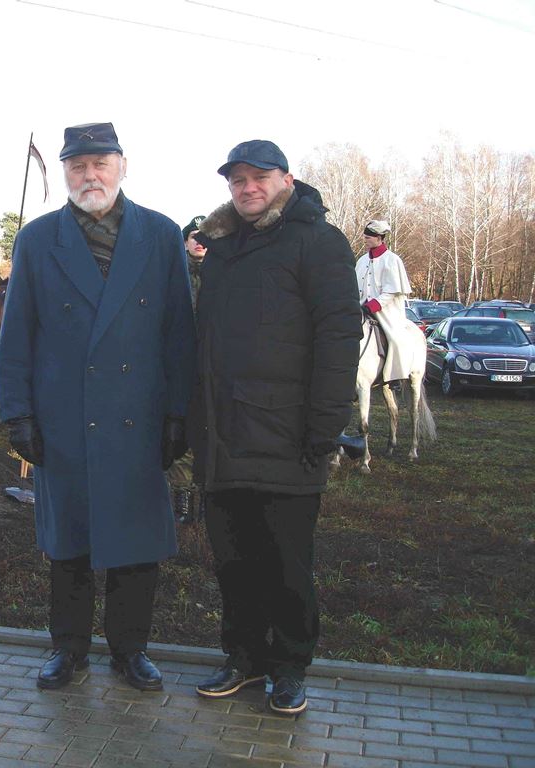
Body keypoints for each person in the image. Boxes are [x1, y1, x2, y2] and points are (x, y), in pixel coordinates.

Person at [0, 122, 195, 692]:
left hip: (139, 417)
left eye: (100, 164)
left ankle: (131, 650)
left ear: (123, 166)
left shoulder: (159, 235)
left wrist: (178, 413)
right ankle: (69, 649)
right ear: (64, 173)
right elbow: (18, 337)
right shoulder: (37, 240)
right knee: (70, 542)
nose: (90, 175)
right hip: (65, 418)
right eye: (78, 166)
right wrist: (18, 414)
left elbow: (179, 332)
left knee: (135, 544)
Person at [189, 140, 360, 715]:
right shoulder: (224, 247)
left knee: (287, 563)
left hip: (289, 438)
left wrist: (324, 426)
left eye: (259, 177)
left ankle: (289, 666)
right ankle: (243, 658)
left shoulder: (318, 242)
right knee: (233, 561)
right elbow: (205, 341)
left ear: (287, 179)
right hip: (224, 435)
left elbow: (339, 339)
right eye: (237, 180)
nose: (247, 188)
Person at [169, 216, 208, 524]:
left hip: (213, 365)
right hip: (179, 363)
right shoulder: (171, 272)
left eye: (205, 236)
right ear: (184, 241)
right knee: (179, 428)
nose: (199, 241)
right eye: (194, 235)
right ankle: (182, 500)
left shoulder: (223, 273)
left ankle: (207, 499)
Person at [356, 219, 414, 383]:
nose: (365, 240)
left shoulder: (392, 260)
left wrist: (373, 305)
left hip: (386, 311)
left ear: (379, 238)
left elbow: (391, 291)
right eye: (365, 237)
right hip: (362, 309)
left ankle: (395, 377)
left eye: (368, 237)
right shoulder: (362, 260)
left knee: (396, 339)